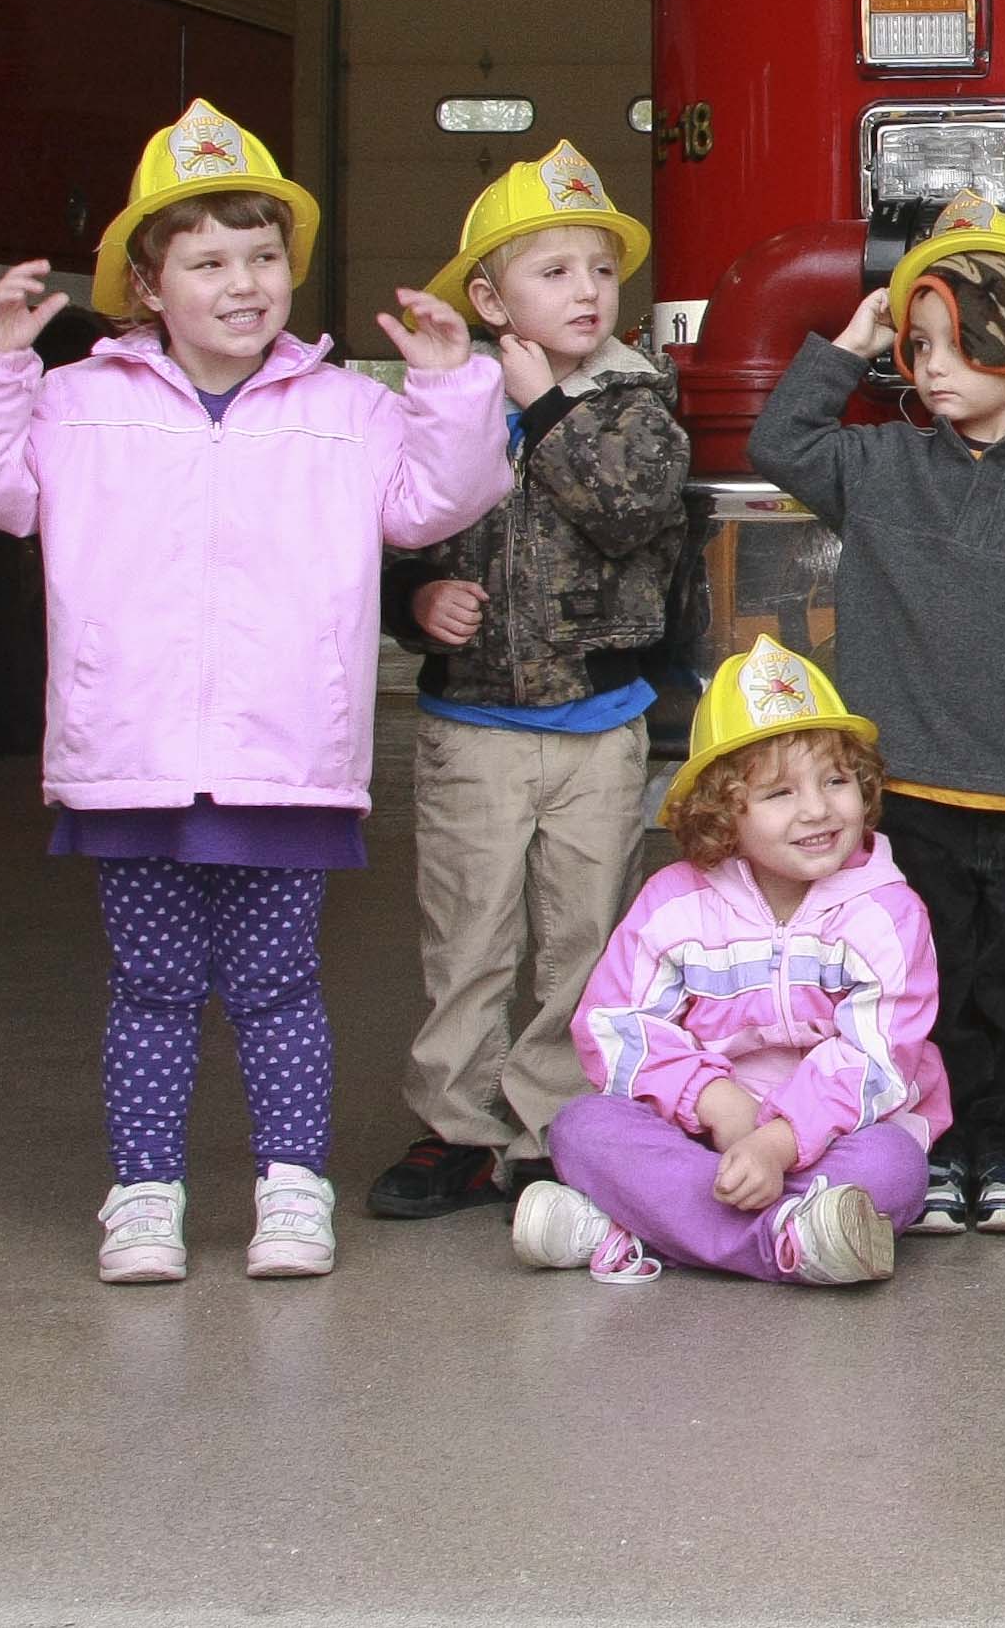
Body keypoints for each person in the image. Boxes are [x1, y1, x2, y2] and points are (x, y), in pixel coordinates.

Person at [0, 100, 507, 1284]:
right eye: (210, 261)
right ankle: (143, 1194)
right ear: (146, 282)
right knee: (151, 986)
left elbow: (441, 500)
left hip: (285, 756)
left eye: (266, 256)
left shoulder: (347, 410)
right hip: (129, 752)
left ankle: (291, 1191)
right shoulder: (76, 404)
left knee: (280, 981)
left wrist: (447, 384)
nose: (246, 283)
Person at [746, 192, 1005, 1237]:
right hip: (904, 788)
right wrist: (850, 341)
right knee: (929, 981)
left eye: (953, 344)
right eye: (915, 346)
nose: (926, 365)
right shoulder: (875, 467)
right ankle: (936, 1142)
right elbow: (779, 439)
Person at [369, 142, 687, 1220]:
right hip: (472, 724)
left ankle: (555, 1127)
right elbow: (393, 521)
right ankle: (456, 1125)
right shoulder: (445, 399)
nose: (586, 290)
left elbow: (628, 511)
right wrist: (411, 600)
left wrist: (546, 402)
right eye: (552, 271)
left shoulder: (637, 401)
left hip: (599, 724)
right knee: (467, 935)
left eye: (600, 269)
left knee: (580, 937)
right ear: (488, 295)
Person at [519, 638, 939, 1287]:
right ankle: (789, 1242)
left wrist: (777, 1142)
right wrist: (717, 1105)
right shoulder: (673, 904)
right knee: (581, 1126)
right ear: (721, 812)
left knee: (893, 1166)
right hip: (700, 1138)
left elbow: (876, 1058)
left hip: (834, 1137)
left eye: (836, 779)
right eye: (779, 792)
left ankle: (632, 1227)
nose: (818, 808)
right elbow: (616, 1026)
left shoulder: (887, 912)